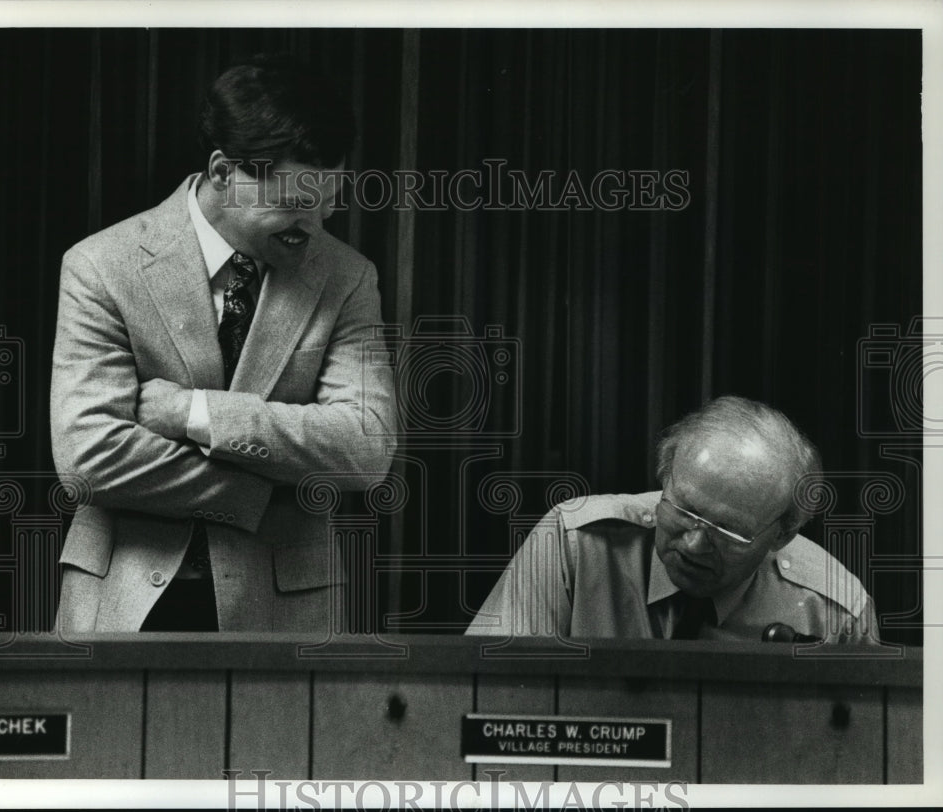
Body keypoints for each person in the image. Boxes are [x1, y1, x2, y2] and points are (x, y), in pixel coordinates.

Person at [51, 54, 397, 632]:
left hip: (286, 616)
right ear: (222, 173)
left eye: (328, 200)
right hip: (118, 604)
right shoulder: (100, 265)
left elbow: (365, 449)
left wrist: (196, 412)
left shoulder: (348, 277)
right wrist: (262, 492)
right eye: (291, 203)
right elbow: (89, 459)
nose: (312, 225)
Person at [466, 396, 878, 644]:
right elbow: (488, 698)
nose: (695, 543)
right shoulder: (574, 543)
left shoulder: (835, 613)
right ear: (665, 480)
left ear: (782, 535)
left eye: (729, 531)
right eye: (684, 511)